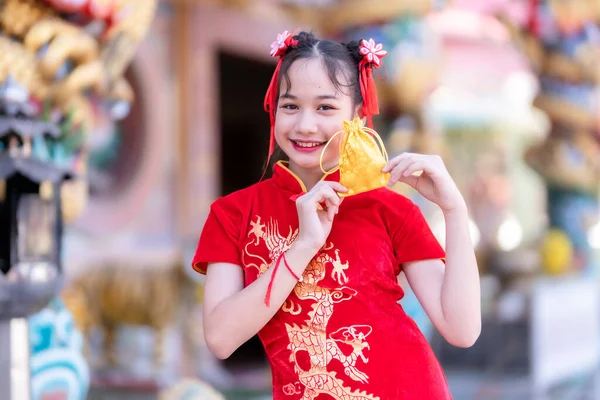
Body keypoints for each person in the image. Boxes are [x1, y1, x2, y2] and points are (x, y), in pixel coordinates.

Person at [192, 30, 481, 400]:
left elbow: (462, 329)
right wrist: (304, 245)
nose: (305, 125)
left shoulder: (388, 208)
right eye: (290, 106)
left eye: (325, 107)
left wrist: (454, 210)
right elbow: (220, 339)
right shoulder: (233, 214)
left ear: (357, 116)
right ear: (273, 108)